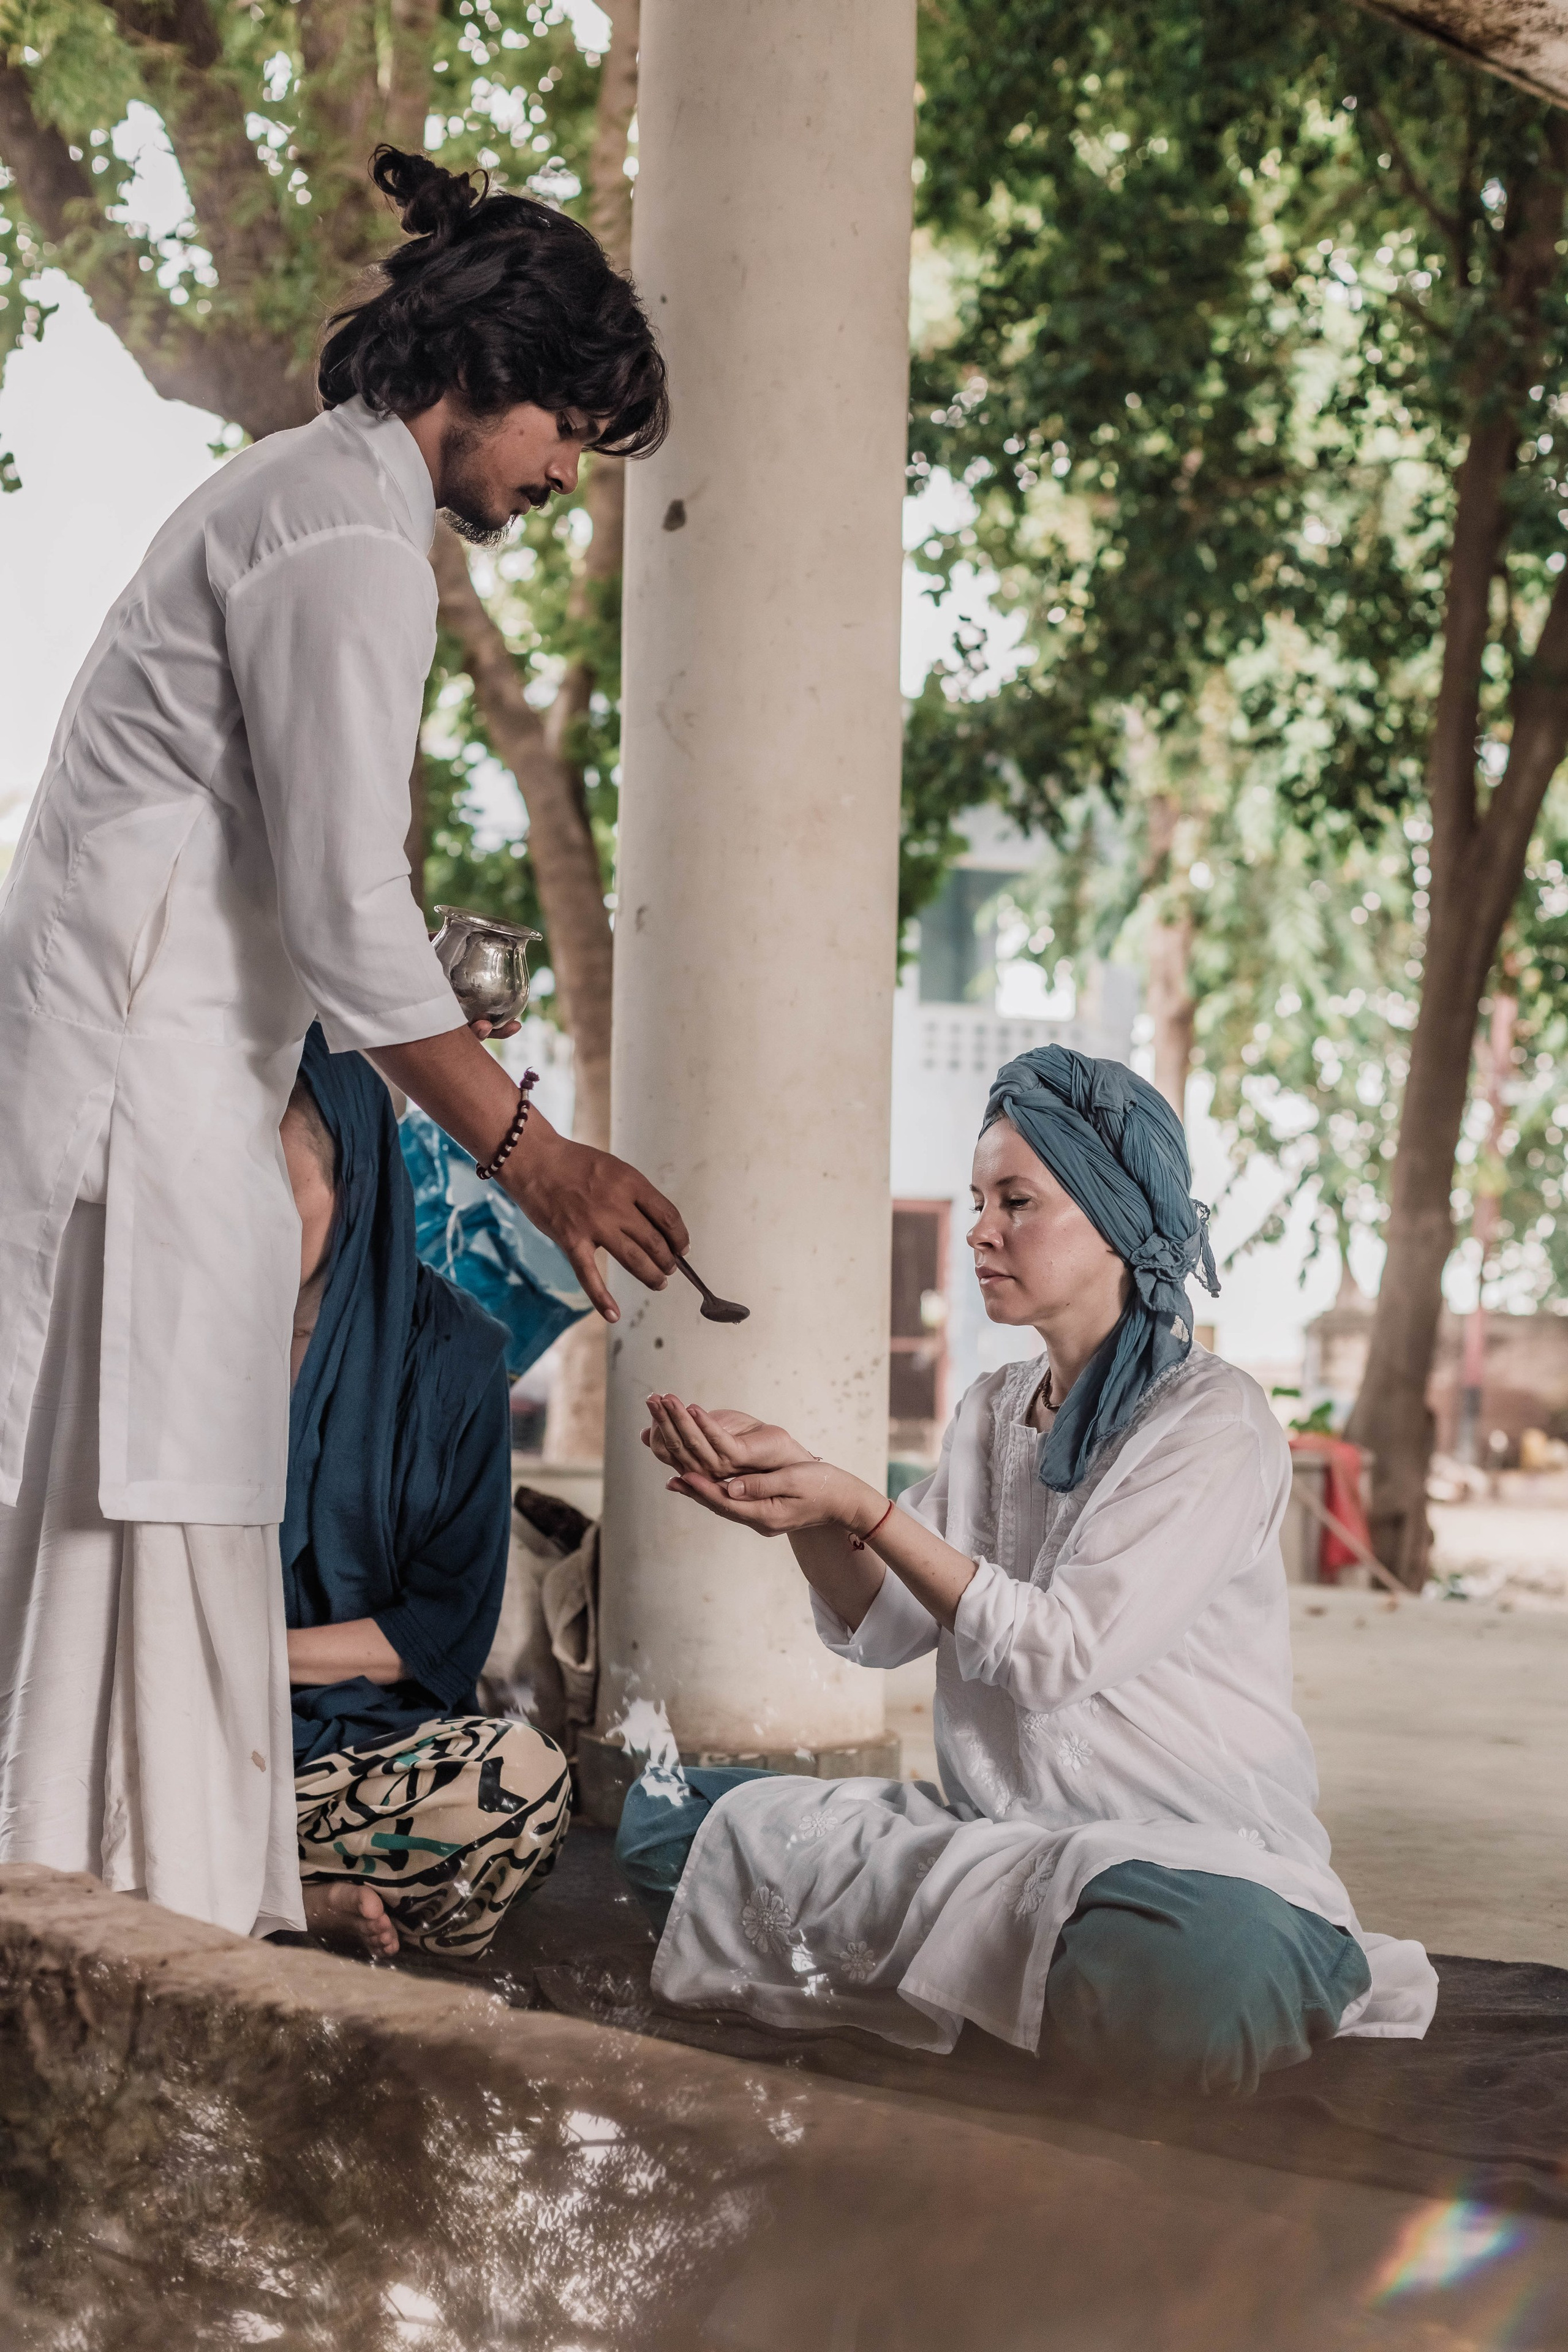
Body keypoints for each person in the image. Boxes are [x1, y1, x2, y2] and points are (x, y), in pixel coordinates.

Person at [0, 146, 685, 1940]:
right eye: (566, 435)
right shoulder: (347, 539)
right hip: (140, 1088)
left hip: (159, 1071)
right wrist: (543, 1156)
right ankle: (139, 1920)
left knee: (142, 1514)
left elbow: (329, 906)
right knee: (131, 1509)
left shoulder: (316, 504)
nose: (561, 479)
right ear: (483, 379)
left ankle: (170, 1897)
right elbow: (345, 914)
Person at [619, 1047, 1439, 2098]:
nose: (978, 1231)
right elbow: (885, 1625)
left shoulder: (1213, 1422)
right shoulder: (997, 1409)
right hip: (1003, 1847)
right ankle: (1007, 1996)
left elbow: (1060, 1653)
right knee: (669, 1819)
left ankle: (1003, 1989)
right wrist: (803, 1509)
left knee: (1190, 1982)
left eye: (1017, 1201)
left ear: (1110, 1215)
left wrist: (861, 1502)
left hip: (1186, 1866)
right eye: (977, 1201)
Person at [281, 1028, 567, 1962]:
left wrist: (245, 1657)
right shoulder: (171, 1333)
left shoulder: (455, 1358)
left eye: (277, 1189)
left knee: (518, 1785)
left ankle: (242, 1881)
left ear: (355, 1186)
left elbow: (439, 1632)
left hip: (336, 1754)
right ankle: (288, 1900)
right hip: (161, 1727)